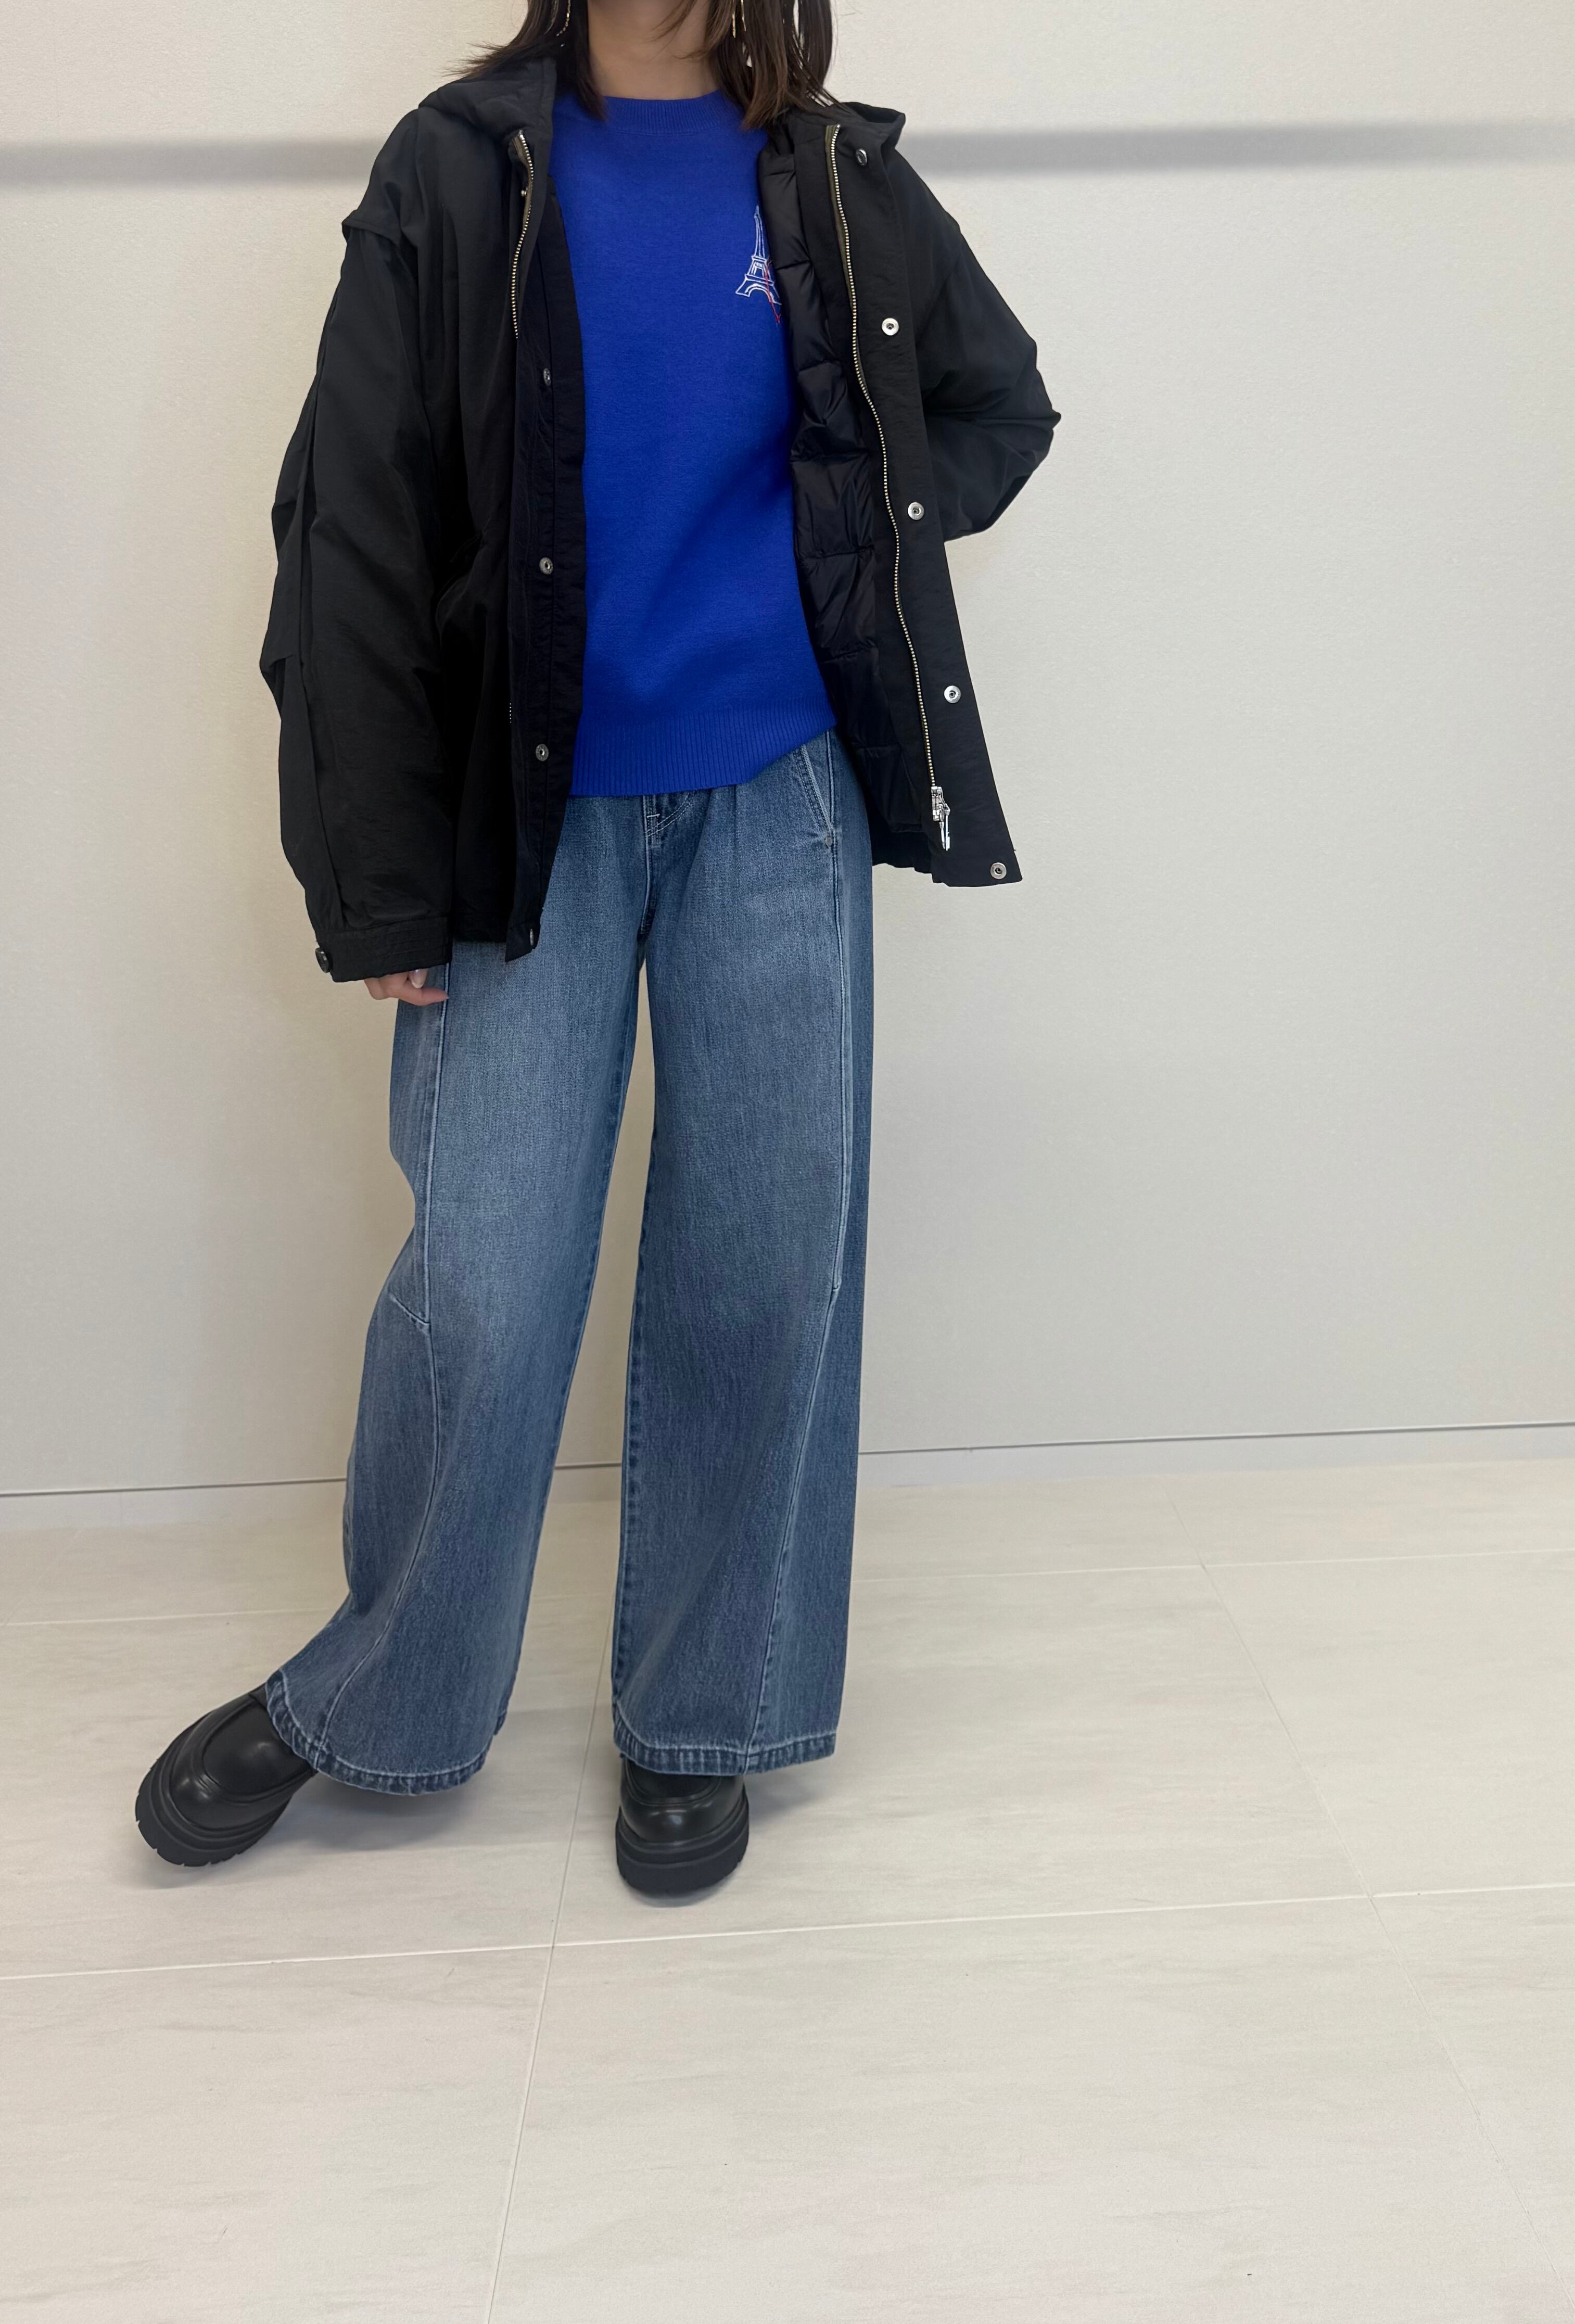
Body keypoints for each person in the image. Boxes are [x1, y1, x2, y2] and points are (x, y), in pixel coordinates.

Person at [135, 0, 1057, 1897]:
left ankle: (705, 1712)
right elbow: (350, 528)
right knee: (482, 1278)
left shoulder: (829, 170)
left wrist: (843, 536)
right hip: (521, 818)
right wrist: (378, 875)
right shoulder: (459, 164)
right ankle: (381, 1696)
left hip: (780, 798)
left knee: (761, 1266)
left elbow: (997, 405)